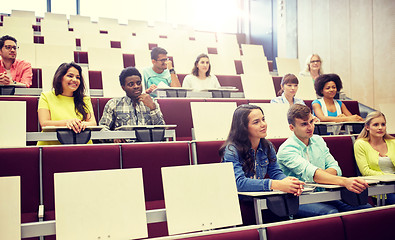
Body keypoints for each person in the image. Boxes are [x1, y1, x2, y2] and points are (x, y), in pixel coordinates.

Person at [277, 104, 371, 218]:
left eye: (311, 122)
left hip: (325, 194)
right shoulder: (286, 149)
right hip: (298, 200)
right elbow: (312, 173)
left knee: (366, 209)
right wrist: (343, 181)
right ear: (292, 127)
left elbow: (335, 168)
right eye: (304, 124)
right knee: (331, 214)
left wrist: (320, 175)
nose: (310, 127)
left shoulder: (318, 140)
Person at [99, 67, 165, 143]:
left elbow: (162, 130)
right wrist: (113, 137)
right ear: (123, 88)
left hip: (148, 147)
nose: (136, 86)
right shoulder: (114, 104)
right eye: (131, 84)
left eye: (138, 83)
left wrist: (153, 108)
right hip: (124, 148)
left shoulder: (151, 102)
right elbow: (102, 129)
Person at [37, 62, 96, 145]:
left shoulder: (85, 99)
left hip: (82, 145)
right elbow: (44, 123)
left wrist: (78, 124)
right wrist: (68, 122)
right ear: (60, 77)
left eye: (78, 77)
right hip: (51, 146)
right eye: (70, 76)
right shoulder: (46, 96)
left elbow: (93, 123)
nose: (75, 80)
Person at [354, 111, 395, 204]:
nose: (380, 128)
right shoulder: (360, 144)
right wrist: (392, 177)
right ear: (367, 127)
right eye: (376, 125)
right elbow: (366, 171)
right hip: (379, 189)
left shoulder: (393, 142)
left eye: (383, 124)